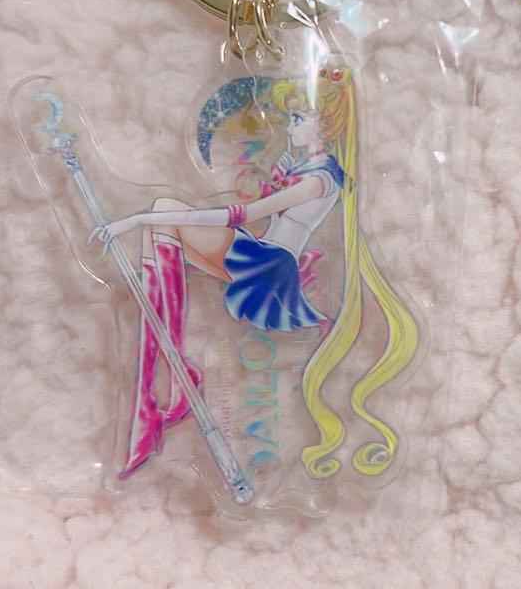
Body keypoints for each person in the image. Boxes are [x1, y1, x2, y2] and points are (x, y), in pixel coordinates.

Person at [95, 66, 418, 482]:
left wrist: (133, 220)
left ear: (324, 127)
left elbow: (243, 214)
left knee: (160, 216)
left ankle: (172, 381)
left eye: (298, 119)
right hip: (257, 251)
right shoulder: (303, 170)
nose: (289, 127)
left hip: (266, 265)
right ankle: (172, 380)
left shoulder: (318, 181)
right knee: (163, 222)